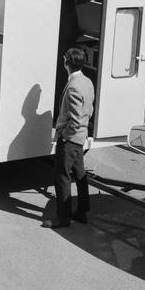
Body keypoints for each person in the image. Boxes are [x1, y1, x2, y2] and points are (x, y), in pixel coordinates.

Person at [47, 47, 95, 229]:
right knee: (80, 175)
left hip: (71, 139)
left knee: (62, 177)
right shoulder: (87, 81)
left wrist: (65, 136)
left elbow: (75, 120)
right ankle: (82, 211)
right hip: (81, 137)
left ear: (65, 62)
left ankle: (63, 217)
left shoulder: (73, 87)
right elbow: (89, 109)